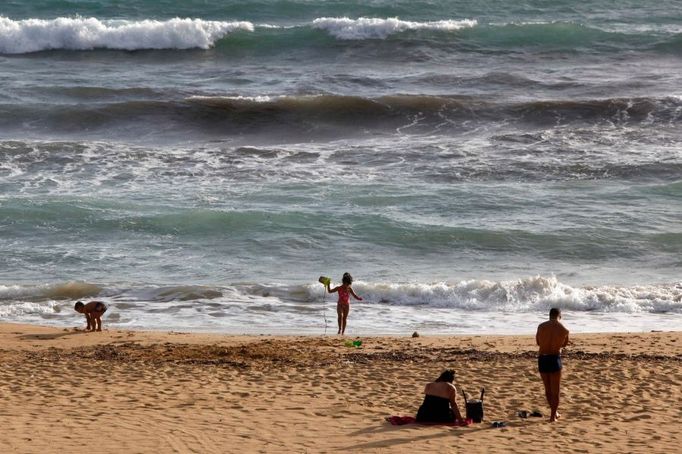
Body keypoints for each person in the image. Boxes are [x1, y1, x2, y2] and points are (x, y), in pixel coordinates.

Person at [536, 307, 569, 422]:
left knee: (548, 389)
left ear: (549, 316)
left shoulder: (541, 326)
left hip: (543, 358)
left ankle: (554, 414)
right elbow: (564, 345)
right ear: (559, 316)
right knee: (556, 391)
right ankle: (552, 416)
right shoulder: (564, 330)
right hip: (555, 358)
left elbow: (538, 342)